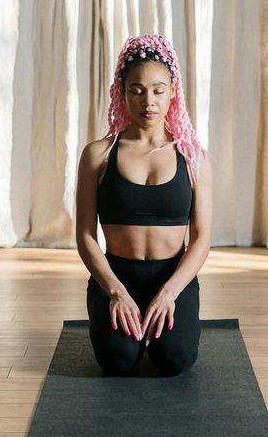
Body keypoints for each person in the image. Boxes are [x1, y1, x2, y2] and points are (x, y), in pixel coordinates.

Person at [76, 34, 212, 375]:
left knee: (174, 360)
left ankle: (163, 326)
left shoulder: (193, 158)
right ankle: (124, 327)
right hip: (117, 277)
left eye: (157, 89)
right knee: (117, 360)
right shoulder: (98, 155)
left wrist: (169, 293)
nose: (147, 100)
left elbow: (201, 239)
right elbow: (85, 236)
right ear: (122, 93)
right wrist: (115, 291)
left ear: (173, 92)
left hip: (172, 278)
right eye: (136, 89)